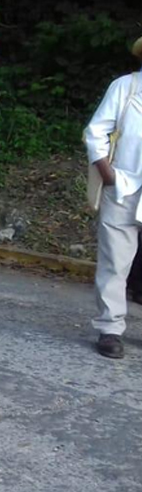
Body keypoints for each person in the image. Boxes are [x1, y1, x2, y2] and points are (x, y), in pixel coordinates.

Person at [84, 34, 142, 359]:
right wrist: (107, 173)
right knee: (114, 261)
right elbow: (96, 131)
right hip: (123, 186)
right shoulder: (125, 87)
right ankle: (110, 328)